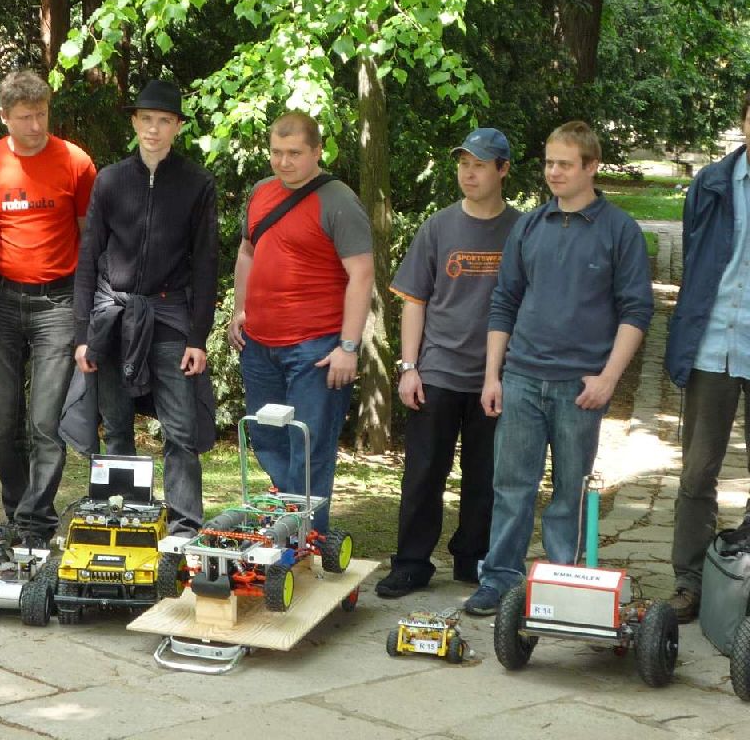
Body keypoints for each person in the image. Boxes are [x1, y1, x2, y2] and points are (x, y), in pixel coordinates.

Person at [463, 121, 653, 615]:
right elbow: (504, 302)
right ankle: (499, 580)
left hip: (580, 387)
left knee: (570, 493)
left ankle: (564, 585)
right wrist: (493, 375)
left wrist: (608, 379)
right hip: (522, 378)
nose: (554, 172)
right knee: (511, 488)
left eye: (565, 164)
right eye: (549, 163)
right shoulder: (529, 226)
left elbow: (636, 312)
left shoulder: (620, 231)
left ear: (592, 166)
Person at [376, 128, 520, 598]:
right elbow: (414, 301)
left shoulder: (522, 230)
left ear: (503, 170)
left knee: (486, 477)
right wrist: (409, 367)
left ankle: (472, 559)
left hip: (496, 377)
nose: (469, 174)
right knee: (423, 474)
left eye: (479, 165)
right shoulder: (438, 227)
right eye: (463, 164)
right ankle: (412, 563)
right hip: (437, 371)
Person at [73, 80, 219, 536]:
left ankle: (184, 529)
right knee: (116, 426)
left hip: (169, 318)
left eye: (164, 121)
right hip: (113, 319)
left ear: (178, 127)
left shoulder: (197, 183)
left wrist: (198, 338)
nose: (154, 129)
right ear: (135, 123)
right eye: (147, 120)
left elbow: (206, 265)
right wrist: (83, 335)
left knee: (180, 430)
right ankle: (123, 521)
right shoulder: (110, 180)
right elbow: (88, 257)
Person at [228, 111, 374, 534]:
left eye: (294, 153)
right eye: (276, 152)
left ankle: (304, 542)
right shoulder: (261, 192)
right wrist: (240, 309)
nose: (284, 162)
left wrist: (348, 346)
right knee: (266, 437)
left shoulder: (338, 200)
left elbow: (362, 274)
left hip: (316, 348)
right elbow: (247, 252)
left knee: (308, 447)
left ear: (317, 152)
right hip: (259, 345)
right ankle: (289, 527)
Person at [0, 70, 97, 549]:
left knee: (45, 422)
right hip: (0, 302)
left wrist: (88, 305)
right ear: (4, 116)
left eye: (42, 114)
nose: (35, 126)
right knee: (4, 424)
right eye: (25, 117)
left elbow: (90, 237)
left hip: (58, 302)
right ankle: (17, 511)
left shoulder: (75, 162)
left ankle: (36, 523)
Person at [664, 90, 750, 624]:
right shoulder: (712, 183)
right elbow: (695, 260)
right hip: (713, 344)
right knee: (697, 472)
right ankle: (689, 582)